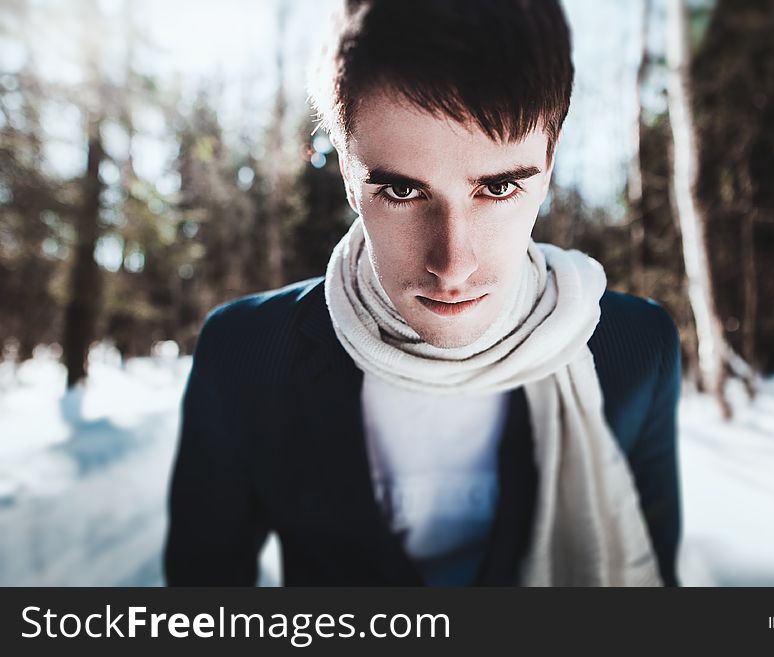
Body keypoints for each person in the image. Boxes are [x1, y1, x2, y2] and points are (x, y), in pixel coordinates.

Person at [163, 0, 682, 587]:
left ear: (551, 163)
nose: (452, 266)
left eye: (500, 186)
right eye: (403, 192)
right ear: (348, 179)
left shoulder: (637, 350)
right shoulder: (247, 353)